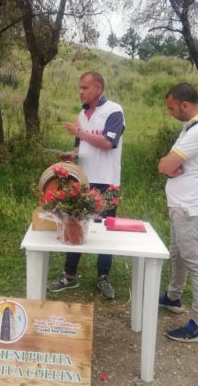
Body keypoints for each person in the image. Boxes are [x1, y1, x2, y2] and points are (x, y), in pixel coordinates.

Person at [48, 71, 125, 299]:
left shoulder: (114, 110)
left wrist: (80, 132)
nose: (80, 91)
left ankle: (103, 276)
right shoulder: (81, 115)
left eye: (84, 88)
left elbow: (108, 143)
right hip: (82, 179)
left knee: (104, 230)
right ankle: (69, 275)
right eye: (80, 87)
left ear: (98, 89)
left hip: (107, 181)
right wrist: (69, 156)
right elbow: (79, 147)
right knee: (75, 224)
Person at [158, 82, 198, 342]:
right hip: (182, 206)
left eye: (172, 108)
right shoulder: (190, 127)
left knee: (196, 264)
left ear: (185, 104)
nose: (170, 112)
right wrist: (171, 164)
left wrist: (170, 165)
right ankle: (173, 297)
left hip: (192, 209)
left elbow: (166, 164)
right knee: (177, 255)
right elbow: (170, 163)